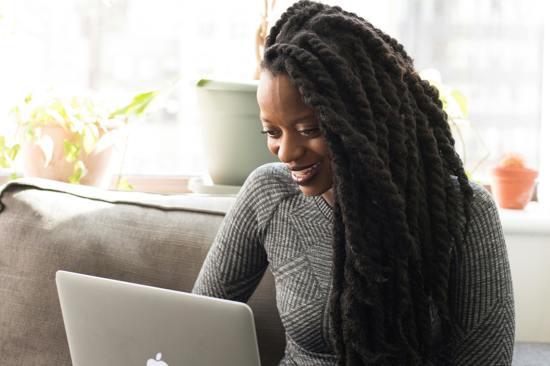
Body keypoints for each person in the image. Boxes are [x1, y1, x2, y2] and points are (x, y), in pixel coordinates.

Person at [192, 1, 515, 365]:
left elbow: (486, 360)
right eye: (272, 132)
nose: (286, 152)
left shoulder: (465, 215)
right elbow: (196, 322)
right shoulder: (269, 194)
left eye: (308, 130)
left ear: (362, 122)